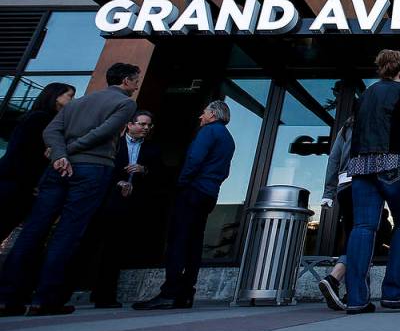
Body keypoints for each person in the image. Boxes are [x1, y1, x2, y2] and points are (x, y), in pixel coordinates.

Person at [0, 63, 140, 317]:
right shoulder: (126, 104)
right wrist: (71, 150)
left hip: (58, 167)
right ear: (126, 81)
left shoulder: (78, 103)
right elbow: (105, 132)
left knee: (34, 229)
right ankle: (46, 299)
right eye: (136, 79)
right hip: (92, 168)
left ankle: (8, 298)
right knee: (67, 233)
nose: (137, 84)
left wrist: (60, 154)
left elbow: (52, 131)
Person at [133, 101, 235, 311]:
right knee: (194, 242)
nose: (200, 116)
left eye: (204, 112)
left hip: (193, 190)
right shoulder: (228, 138)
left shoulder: (208, 132)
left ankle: (170, 292)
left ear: (214, 114)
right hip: (209, 193)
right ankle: (186, 292)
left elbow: (194, 158)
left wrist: (182, 182)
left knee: (179, 240)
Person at [344, 49, 400, 315]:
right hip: (395, 162)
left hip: (360, 164)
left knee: (363, 227)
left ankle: (355, 298)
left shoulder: (366, 94)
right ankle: (394, 293)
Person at [88, 110, 161, 308]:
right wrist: (117, 182)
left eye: (148, 125)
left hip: (131, 205)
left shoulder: (153, 150)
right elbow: (100, 169)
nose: (145, 128)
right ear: (129, 125)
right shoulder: (113, 144)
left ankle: (105, 295)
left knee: (115, 249)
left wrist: (144, 170)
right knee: (91, 245)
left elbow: (160, 176)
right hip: (106, 202)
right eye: (142, 124)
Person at [0, 83, 76, 246]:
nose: (72, 100)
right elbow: (22, 152)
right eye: (70, 95)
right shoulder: (41, 119)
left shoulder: (42, 118)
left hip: (17, 183)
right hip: (14, 184)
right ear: (56, 96)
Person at [317, 114, 354, 311]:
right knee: (362, 237)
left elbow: (334, 159)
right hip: (364, 183)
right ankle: (335, 278)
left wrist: (329, 192)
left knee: (352, 235)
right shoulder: (374, 121)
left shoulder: (346, 127)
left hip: (344, 187)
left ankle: (352, 292)